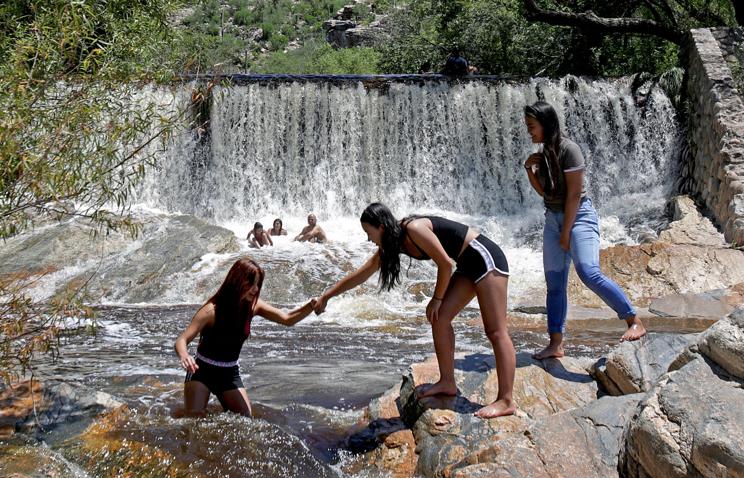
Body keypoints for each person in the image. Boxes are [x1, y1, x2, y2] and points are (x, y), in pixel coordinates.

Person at [313, 203, 516, 419]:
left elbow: (445, 264)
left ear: (381, 227)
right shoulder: (392, 243)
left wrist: (437, 298)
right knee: (440, 318)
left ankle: (506, 400)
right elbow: (361, 274)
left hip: (486, 258)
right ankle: (447, 382)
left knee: (495, 331)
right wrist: (327, 296)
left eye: (368, 233)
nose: (368, 239)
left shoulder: (414, 228)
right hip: (466, 265)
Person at [522, 101, 647, 360]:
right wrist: (529, 171)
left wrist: (566, 232)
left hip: (579, 216)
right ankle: (556, 343)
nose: (529, 132)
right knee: (554, 284)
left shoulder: (570, 150)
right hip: (553, 218)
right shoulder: (544, 154)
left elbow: (574, 196)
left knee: (588, 272)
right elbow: (547, 195)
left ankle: (634, 320)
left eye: (532, 127)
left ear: (545, 124)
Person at [174, 258, 315, 417]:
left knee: (245, 419)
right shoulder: (211, 311)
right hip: (202, 370)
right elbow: (182, 339)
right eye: (251, 284)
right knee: (194, 418)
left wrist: (311, 306)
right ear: (237, 281)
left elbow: (288, 319)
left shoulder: (254, 306)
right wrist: (184, 355)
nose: (255, 289)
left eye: (258, 284)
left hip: (229, 373)